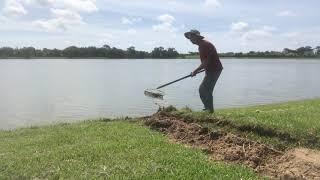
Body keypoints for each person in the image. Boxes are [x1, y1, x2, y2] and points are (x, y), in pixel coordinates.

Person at [184, 29, 223, 113]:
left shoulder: (204, 45)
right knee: (206, 90)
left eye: (191, 36)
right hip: (212, 69)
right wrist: (198, 70)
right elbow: (206, 62)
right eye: (189, 37)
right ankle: (208, 109)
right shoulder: (202, 45)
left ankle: (209, 110)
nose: (190, 39)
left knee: (203, 90)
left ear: (196, 37)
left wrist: (195, 71)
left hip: (214, 70)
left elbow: (206, 61)